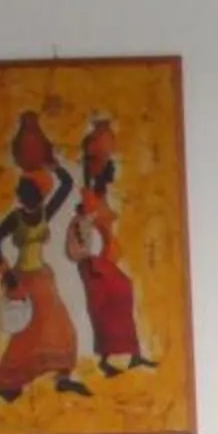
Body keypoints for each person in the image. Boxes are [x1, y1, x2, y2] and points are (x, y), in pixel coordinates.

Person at [0, 165, 88, 401]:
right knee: (27, 333)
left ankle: (62, 377)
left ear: (39, 195)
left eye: (27, 192)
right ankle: (7, 382)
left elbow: (66, 185)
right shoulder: (16, 217)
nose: (22, 196)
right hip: (24, 279)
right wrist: (6, 272)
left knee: (61, 325)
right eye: (22, 192)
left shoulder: (44, 212)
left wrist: (53, 164)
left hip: (43, 278)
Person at [65, 115, 152, 375]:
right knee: (103, 306)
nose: (108, 169)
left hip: (103, 259)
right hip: (93, 262)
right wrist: (89, 258)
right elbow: (83, 228)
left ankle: (132, 354)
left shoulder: (99, 196)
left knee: (120, 296)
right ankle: (106, 361)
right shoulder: (89, 197)